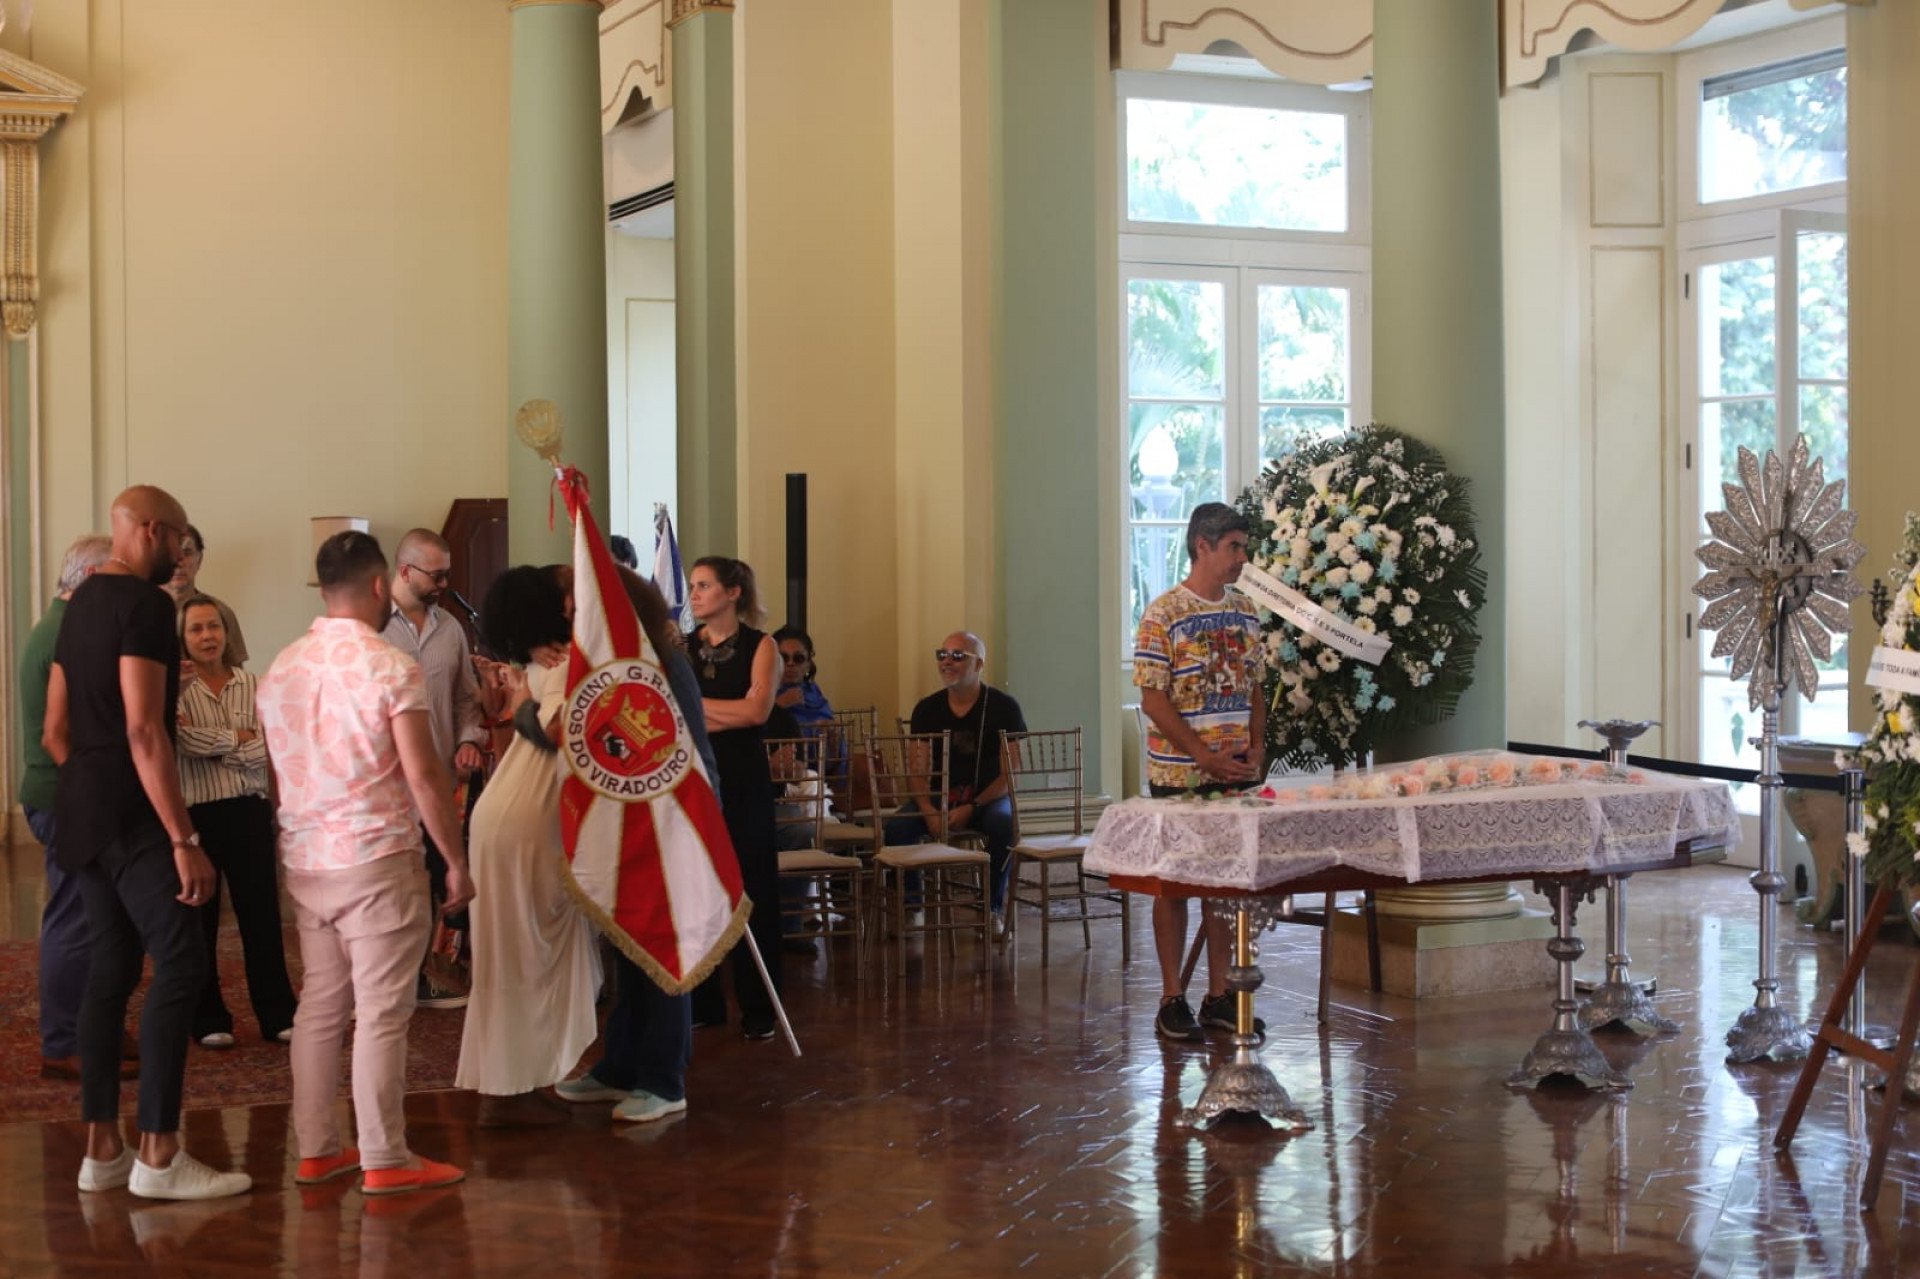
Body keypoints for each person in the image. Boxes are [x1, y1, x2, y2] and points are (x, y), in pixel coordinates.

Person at [47, 485, 250, 1200]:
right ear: (151, 530)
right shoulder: (143, 606)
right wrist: (183, 836)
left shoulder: (74, 608)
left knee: (111, 968)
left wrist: (93, 786)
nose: (182, 553)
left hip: (85, 809)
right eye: (179, 540)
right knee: (184, 961)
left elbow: (56, 730)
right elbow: (144, 730)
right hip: (134, 814)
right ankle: (160, 1154)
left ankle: (102, 1150)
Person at [256, 529, 474, 1196]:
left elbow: (275, 777)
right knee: (383, 1011)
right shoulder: (388, 666)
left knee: (321, 1005)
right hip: (377, 857)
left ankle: (318, 1148)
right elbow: (426, 777)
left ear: (322, 590)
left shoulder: (281, 668)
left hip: (307, 859)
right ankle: (384, 1154)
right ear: (381, 585)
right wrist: (455, 860)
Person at [556, 568, 717, 1123]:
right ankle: (620, 1066)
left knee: (662, 955)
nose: (573, 620)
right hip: (624, 827)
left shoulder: (665, 666)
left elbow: (695, 754)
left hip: (670, 831)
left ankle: (664, 1078)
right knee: (629, 951)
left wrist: (704, 832)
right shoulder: (609, 670)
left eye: (584, 611)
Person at [455, 566, 600, 1127]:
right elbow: (566, 731)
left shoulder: (537, 663)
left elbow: (522, 729)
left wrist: (517, 700)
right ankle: (529, 1072)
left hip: (505, 810)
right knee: (541, 946)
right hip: (531, 815)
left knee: (509, 947)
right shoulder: (564, 666)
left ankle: (509, 1076)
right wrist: (521, 704)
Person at [1134, 501, 1268, 1043]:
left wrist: (1257, 744)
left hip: (1235, 770)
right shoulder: (1163, 613)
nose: (1242, 557)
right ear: (1202, 547)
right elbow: (1152, 697)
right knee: (1176, 884)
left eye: (1244, 546)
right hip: (1180, 775)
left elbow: (1256, 685)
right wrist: (1199, 754)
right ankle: (1173, 996)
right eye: (1234, 546)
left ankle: (1219, 994)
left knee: (1224, 885)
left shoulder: (1247, 611)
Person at [19, 533, 138, 1082]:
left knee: (95, 916)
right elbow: (61, 731)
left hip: (68, 792)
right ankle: (63, 1041)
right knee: (74, 919)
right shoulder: (68, 633)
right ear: (91, 580)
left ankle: (97, 1027)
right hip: (66, 795)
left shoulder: (64, 626)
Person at [177, 596, 298, 1048]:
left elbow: (268, 748)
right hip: (197, 818)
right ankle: (208, 1018)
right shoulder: (173, 688)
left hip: (248, 812)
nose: (207, 636)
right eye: (196, 629)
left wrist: (235, 744)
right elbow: (182, 740)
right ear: (183, 638)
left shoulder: (254, 684)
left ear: (227, 633)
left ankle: (277, 1013)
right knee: (200, 923)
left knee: (262, 919)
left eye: (214, 627)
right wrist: (241, 740)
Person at [381, 527, 487, 1009]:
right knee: (390, 886)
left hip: (440, 781)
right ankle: (382, 981)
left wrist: (469, 740)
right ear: (405, 571)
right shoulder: (373, 628)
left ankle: (426, 973)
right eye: (437, 574)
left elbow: (467, 700)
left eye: (447, 573)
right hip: (386, 785)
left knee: (432, 880)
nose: (445, 582)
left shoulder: (452, 630)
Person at [685, 555, 783, 1041]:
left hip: (743, 782)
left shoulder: (761, 646)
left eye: (704, 585)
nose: (695, 593)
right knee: (698, 893)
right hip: (695, 779)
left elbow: (755, 712)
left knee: (751, 892)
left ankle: (760, 1007)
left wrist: (693, 708)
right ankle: (704, 1003)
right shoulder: (682, 648)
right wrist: (721, 712)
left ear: (733, 592)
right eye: (692, 585)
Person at [881, 632, 1028, 937]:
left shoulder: (1003, 707)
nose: (947, 662)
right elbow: (917, 772)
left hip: (985, 799)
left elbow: (1011, 771)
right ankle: (912, 908)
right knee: (896, 828)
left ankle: (991, 909)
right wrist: (928, 811)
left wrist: (973, 807)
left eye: (958, 656)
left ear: (979, 665)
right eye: (942, 654)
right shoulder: (927, 709)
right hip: (937, 797)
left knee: (1005, 825)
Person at [163, 524, 248, 669]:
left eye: (187, 553)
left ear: (199, 559)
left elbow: (236, 675)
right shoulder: (140, 612)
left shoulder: (220, 612)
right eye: (170, 553)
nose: (179, 562)